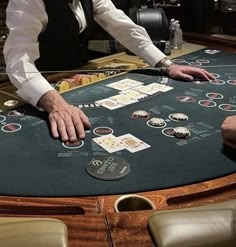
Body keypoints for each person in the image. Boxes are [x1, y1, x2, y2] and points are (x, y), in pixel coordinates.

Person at [4, 0, 215, 142]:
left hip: (78, 73)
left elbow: (123, 26)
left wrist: (166, 64)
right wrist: (55, 104)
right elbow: (17, 58)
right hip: (40, 86)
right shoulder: (27, 2)